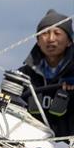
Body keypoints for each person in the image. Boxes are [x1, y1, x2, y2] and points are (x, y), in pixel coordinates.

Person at [17, 10, 73, 138]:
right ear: (37, 40)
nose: (51, 39)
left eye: (57, 33)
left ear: (69, 41)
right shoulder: (23, 75)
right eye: (45, 33)